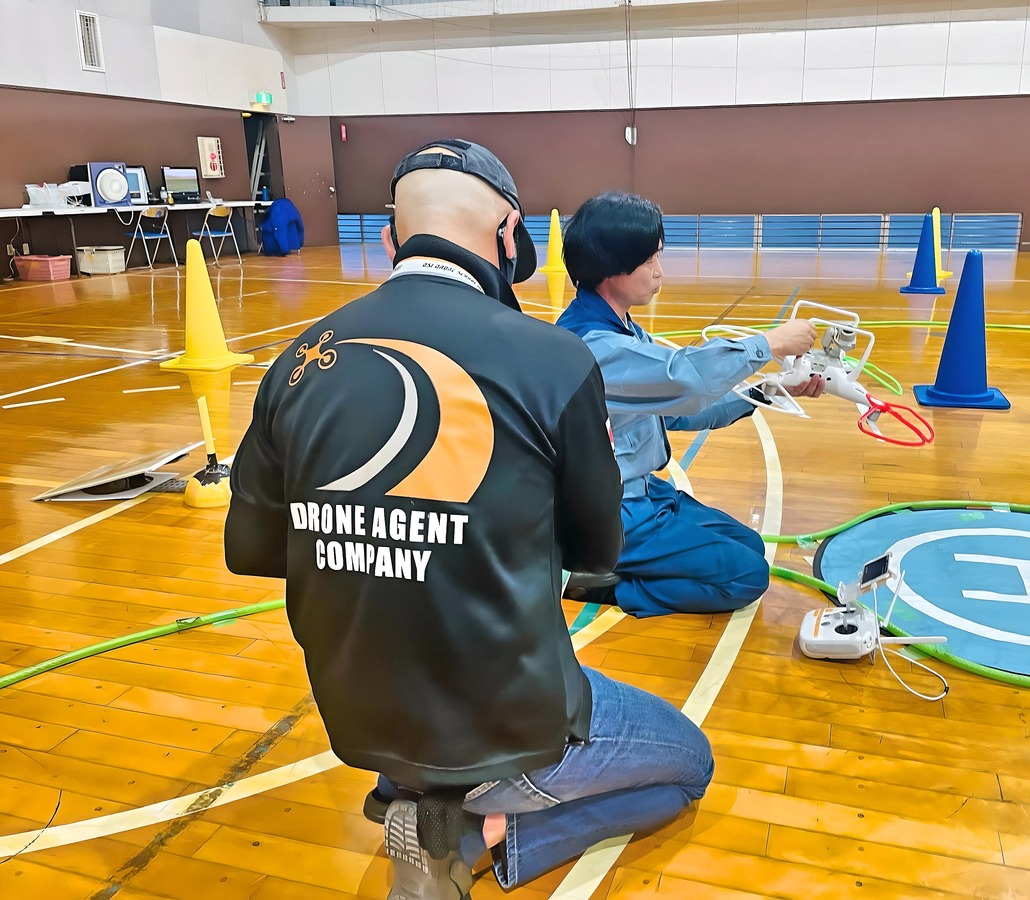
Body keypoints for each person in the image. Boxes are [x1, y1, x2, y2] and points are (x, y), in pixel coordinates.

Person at [224, 142, 713, 900]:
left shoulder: (298, 360)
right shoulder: (551, 358)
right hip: (509, 722)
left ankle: (416, 792)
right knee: (688, 765)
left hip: (363, 714)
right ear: (509, 231)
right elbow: (596, 552)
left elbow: (253, 549)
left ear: (391, 238)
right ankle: (480, 833)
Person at [557, 191, 824, 618]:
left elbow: (682, 409)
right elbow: (687, 379)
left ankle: (634, 567)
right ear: (611, 270)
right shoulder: (593, 346)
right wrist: (768, 344)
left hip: (644, 493)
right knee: (747, 575)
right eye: (649, 261)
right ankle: (608, 588)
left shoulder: (620, 329)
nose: (659, 272)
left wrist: (770, 391)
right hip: (611, 512)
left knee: (749, 545)